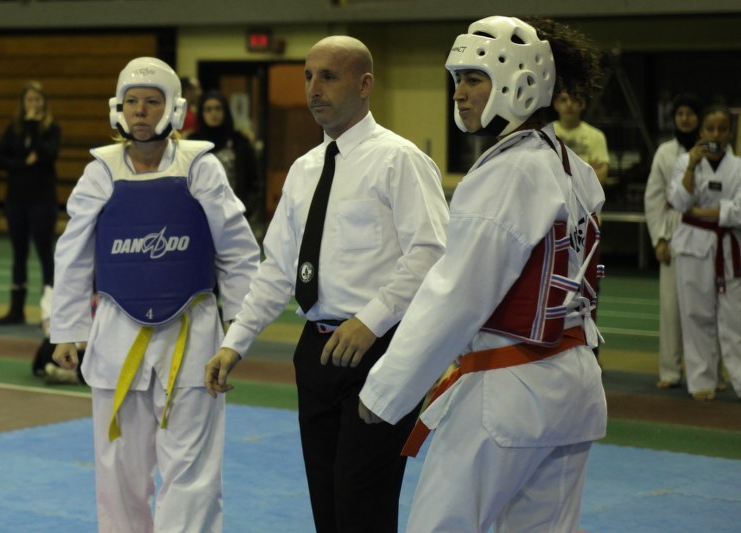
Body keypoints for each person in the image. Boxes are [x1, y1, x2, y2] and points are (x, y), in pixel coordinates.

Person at [358, 16, 608, 532]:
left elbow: (456, 296)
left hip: (507, 390)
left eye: (474, 79)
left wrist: (382, 392)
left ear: (520, 82)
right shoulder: (570, 168)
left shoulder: (508, 172)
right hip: (573, 388)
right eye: (455, 81)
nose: (459, 94)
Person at [205, 36, 449, 533]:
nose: (315, 89)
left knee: (361, 501)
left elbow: (432, 253)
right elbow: (276, 269)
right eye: (308, 77)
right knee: (327, 504)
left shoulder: (398, 160)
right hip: (314, 353)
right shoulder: (304, 170)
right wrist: (235, 342)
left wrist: (370, 320)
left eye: (329, 77)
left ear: (365, 85)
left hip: (378, 354)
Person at [50, 57, 260, 532]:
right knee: (118, 472)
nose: (141, 111)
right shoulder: (100, 171)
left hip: (193, 335)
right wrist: (67, 329)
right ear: (117, 109)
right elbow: (74, 252)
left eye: (152, 101)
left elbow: (238, 253)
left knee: (192, 473)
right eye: (132, 102)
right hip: (115, 336)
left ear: (174, 109)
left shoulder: (200, 168)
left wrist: (238, 333)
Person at [667, 104, 741, 402]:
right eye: (709, 129)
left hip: (729, 247)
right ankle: (701, 382)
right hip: (692, 246)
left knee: (734, 317)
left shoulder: (738, 167)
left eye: (722, 129)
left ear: (729, 132)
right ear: (701, 132)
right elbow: (678, 202)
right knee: (695, 314)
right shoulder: (684, 161)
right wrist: (690, 168)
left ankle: (737, 379)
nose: (715, 135)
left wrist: (707, 211)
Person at [644, 93, 702, 389]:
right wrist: (659, 238)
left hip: (706, 232)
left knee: (705, 308)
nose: (685, 118)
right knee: (670, 307)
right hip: (673, 230)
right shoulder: (665, 152)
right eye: (680, 113)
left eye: (690, 113)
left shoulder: (712, 152)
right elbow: (653, 198)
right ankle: (670, 371)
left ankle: (704, 373)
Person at [0, 80, 61, 325]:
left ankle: (50, 311)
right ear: (22, 103)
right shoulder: (12, 129)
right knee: (18, 253)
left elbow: (48, 154)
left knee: (45, 254)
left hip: (42, 200)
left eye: (37, 100)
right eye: (29, 100)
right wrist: (25, 162)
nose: (33, 104)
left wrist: (34, 127)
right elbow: (0, 159)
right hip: (16, 199)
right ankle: (16, 309)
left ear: (44, 102)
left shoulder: (51, 128)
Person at [189, 90, 260, 220]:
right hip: (199, 215)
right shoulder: (192, 143)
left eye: (218, 108)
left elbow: (253, 181)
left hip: (235, 214)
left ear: (225, 111)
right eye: (208, 109)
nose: (213, 113)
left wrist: (247, 209)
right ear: (201, 114)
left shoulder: (240, 142)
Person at [553, 89, 610, 185]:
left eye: (574, 99)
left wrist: (560, 173)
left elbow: (601, 178)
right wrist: (587, 172)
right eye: (563, 100)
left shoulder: (596, 136)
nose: (569, 104)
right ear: (556, 104)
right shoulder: (544, 135)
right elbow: (542, 177)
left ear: (582, 103)